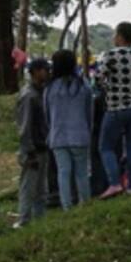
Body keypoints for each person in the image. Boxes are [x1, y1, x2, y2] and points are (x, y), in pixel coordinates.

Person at [97, 22, 131, 198]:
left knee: (106, 147)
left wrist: (110, 88)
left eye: (115, 34)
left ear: (120, 36)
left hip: (117, 108)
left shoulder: (111, 55)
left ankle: (114, 184)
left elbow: (99, 79)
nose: (114, 38)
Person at [44, 49, 94, 210]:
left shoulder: (50, 88)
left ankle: (67, 208)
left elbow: (47, 114)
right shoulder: (83, 85)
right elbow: (89, 112)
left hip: (58, 136)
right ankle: (85, 205)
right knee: (81, 173)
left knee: (63, 173)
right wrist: (88, 129)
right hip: (80, 135)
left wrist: (51, 131)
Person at [16, 59, 50, 227]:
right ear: (35, 71)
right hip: (33, 149)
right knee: (28, 188)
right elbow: (24, 126)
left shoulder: (42, 92)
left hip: (42, 146)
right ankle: (23, 221)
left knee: (41, 189)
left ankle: (39, 222)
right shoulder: (29, 96)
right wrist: (29, 151)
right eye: (44, 69)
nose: (47, 72)